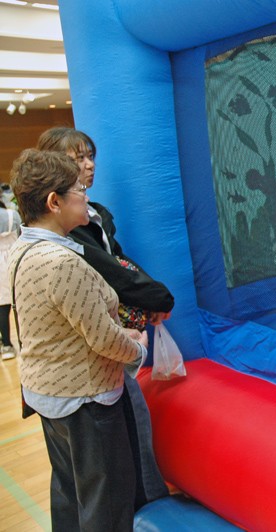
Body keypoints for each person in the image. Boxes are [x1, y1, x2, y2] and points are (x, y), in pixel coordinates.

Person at [9, 149, 149, 530]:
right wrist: (137, 346)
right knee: (107, 501)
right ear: (54, 202)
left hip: (49, 393)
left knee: (71, 491)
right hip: (85, 400)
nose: (87, 195)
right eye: (79, 190)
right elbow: (104, 340)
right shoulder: (62, 263)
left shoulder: (24, 249)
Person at [37, 127, 171, 508]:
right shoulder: (61, 242)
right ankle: (146, 504)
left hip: (70, 377)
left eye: (90, 156)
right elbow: (110, 274)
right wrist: (153, 305)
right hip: (81, 376)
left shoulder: (92, 215)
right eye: (77, 158)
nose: (89, 165)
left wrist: (150, 297)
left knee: (78, 477)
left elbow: (118, 261)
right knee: (102, 467)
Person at [0, 197, 21, 360]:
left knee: (2, 305)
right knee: (17, 304)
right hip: (14, 258)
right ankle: (19, 343)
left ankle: (6, 344)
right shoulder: (12, 214)